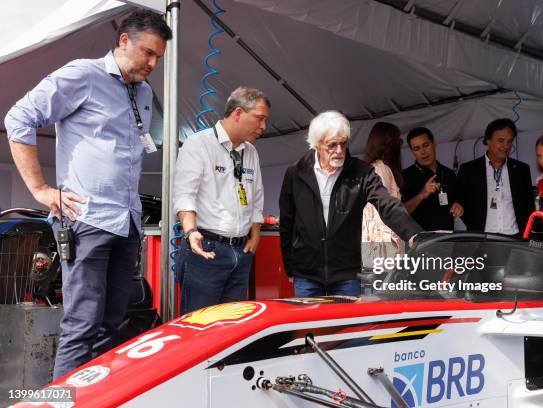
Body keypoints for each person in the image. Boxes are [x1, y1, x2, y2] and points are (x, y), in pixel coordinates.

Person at [4, 10, 172, 379]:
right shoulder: (82, 74)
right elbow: (18, 119)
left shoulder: (142, 91)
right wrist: (40, 189)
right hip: (88, 220)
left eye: (159, 57)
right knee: (82, 324)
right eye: (148, 53)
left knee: (112, 322)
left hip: (126, 222)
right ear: (124, 41)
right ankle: (63, 401)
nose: (153, 63)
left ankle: (92, 396)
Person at [279, 111, 422, 297]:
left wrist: (415, 235)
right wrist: (290, 266)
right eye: (332, 145)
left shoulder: (361, 172)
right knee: (310, 327)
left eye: (343, 143)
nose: (339, 151)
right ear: (316, 145)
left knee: (347, 326)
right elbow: (287, 222)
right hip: (307, 274)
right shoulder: (296, 173)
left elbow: (387, 205)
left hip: (346, 274)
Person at [173, 87, 269, 314]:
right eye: (259, 119)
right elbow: (184, 195)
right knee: (198, 325)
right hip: (207, 250)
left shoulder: (251, 152)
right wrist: (190, 231)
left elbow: (256, 197)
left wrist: (255, 235)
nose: (263, 127)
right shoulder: (199, 144)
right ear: (238, 113)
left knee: (231, 328)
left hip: (241, 251)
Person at [457, 118, 534, 235]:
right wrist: (474, 226)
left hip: (515, 238)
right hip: (482, 239)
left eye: (509, 141)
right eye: (501, 140)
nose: (506, 146)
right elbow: (460, 203)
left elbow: (528, 206)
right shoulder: (468, 170)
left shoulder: (521, 170)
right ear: (488, 140)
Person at [361, 122, 405, 283]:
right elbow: (384, 216)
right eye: (398, 141)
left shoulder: (369, 168)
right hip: (384, 253)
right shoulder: (382, 169)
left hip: (373, 252)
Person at [402, 127, 463, 230]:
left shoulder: (449, 173)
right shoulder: (405, 176)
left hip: (447, 239)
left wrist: (458, 206)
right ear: (412, 152)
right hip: (420, 241)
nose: (423, 152)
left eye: (425, 145)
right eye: (417, 148)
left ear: (434, 144)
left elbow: (457, 201)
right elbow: (399, 212)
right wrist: (421, 195)